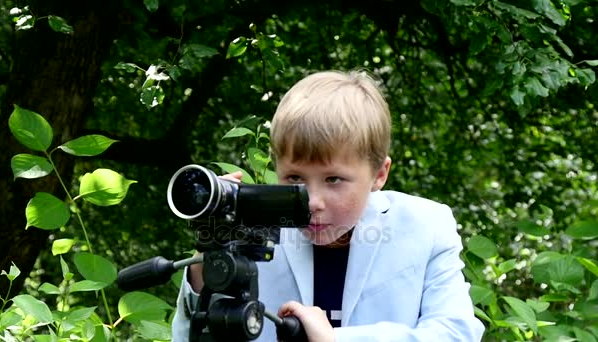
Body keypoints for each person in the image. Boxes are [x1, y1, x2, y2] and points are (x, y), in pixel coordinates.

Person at [171, 70, 485, 341]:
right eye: (294, 179)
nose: (313, 201)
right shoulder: (250, 228)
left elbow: (456, 333)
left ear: (379, 175)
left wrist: (337, 340)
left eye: (333, 179)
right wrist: (208, 255)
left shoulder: (426, 225)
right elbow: (191, 337)